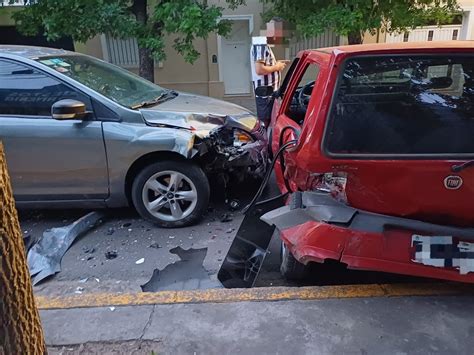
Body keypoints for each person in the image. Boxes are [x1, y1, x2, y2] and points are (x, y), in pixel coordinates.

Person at [250, 36, 288, 123]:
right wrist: (277, 67)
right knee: (266, 123)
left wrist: (276, 64)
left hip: (268, 92)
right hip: (266, 93)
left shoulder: (263, 44)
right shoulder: (260, 44)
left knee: (269, 122)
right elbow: (259, 70)